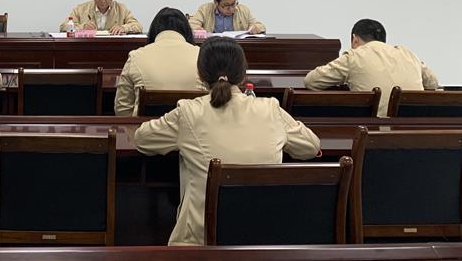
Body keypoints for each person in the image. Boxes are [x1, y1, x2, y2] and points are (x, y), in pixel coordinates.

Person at [135, 37, 320, 246]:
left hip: (200, 241)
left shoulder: (189, 112)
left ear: (200, 74)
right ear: (243, 75)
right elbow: (311, 146)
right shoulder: (270, 109)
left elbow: (142, 139)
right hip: (263, 239)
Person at [304, 18, 440, 116]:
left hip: (374, 134)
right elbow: (433, 83)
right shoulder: (408, 54)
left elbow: (311, 81)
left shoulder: (354, 56)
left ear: (355, 39)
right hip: (413, 131)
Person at [114, 7, 205, 116]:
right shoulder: (201, 55)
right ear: (187, 31)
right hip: (192, 125)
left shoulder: (136, 56)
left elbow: (122, 109)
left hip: (147, 126)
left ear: (153, 31)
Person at [188, 0, 266, 34]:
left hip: (236, 47)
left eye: (233, 4)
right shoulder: (205, 9)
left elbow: (260, 26)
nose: (231, 9)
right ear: (216, 2)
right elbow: (191, 25)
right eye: (226, 5)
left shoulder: (243, 10)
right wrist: (198, 29)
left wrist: (255, 28)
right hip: (212, 47)